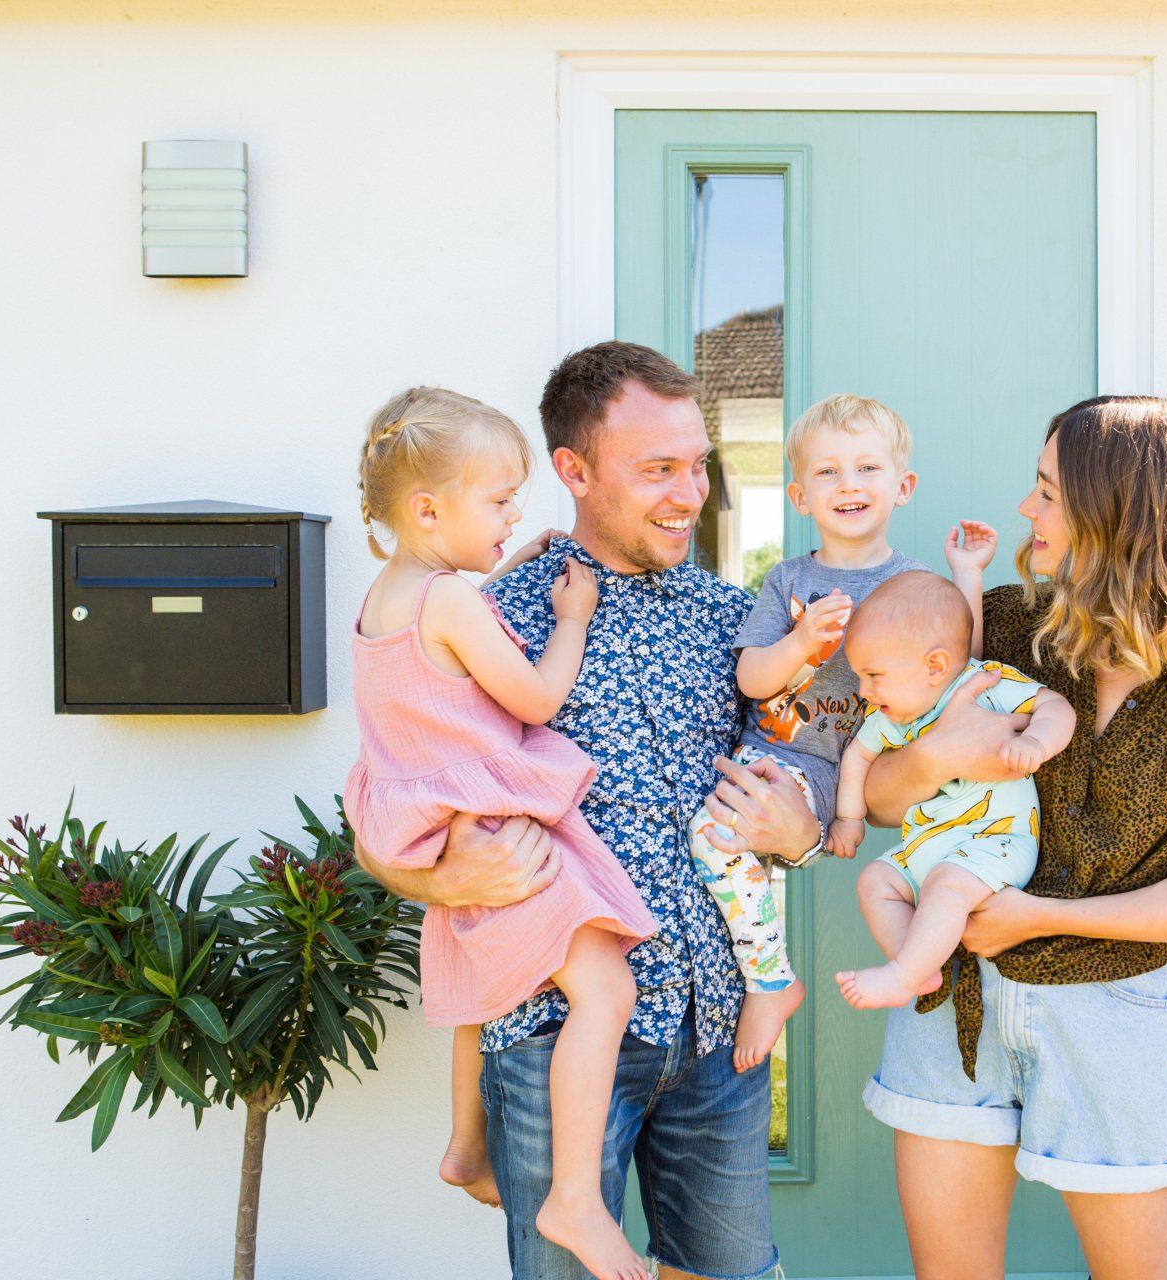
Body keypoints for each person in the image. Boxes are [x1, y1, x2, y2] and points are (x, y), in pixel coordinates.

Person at [355, 345, 820, 1280]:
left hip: (717, 1028)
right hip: (552, 1032)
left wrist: (799, 828)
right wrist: (431, 876)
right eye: (659, 470)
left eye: (698, 465)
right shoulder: (493, 613)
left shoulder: (738, 619)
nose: (691, 493)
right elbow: (392, 787)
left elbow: (796, 760)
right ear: (573, 470)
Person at [858, 396, 1167, 1280]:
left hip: (1114, 1016)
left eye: (1048, 493)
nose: (1026, 509)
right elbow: (880, 801)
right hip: (954, 997)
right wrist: (937, 754)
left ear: (1119, 517)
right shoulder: (1002, 628)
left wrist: (1040, 917)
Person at [344, 386, 656, 1280]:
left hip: (437, 834)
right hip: (497, 829)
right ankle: (574, 1198)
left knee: (479, 988)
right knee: (606, 991)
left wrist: (503, 562)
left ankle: (463, 1148)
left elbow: (438, 667)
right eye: (499, 501)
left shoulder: (386, 599)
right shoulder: (449, 600)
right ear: (428, 510)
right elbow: (536, 698)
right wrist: (573, 619)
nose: (515, 514)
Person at [686, 393, 940, 1072]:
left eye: (867, 467)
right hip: (769, 748)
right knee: (719, 845)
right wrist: (801, 642)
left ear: (903, 486)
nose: (848, 484)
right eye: (827, 472)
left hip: (835, 767)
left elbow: (947, 669)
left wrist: (966, 578)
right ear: (799, 496)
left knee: (715, 839)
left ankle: (770, 982)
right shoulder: (788, 579)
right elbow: (751, 679)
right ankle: (764, 974)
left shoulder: (912, 583)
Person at [828, 571, 1075, 1010]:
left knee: (945, 886)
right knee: (874, 881)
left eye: (873, 675)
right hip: (929, 846)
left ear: (935, 666)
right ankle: (918, 965)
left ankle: (901, 976)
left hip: (993, 842)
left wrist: (1036, 743)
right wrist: (848, 819)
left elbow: (1054, 706)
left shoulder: (985, 685)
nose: (864, 691)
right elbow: (857, 756)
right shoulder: (891, 716)